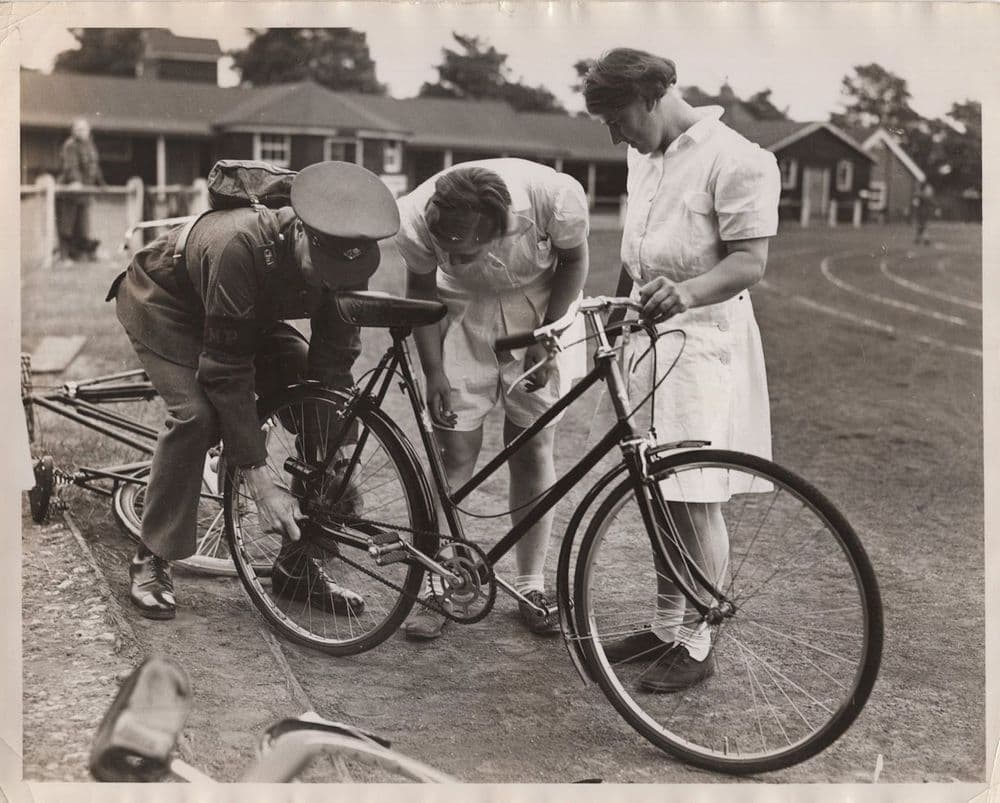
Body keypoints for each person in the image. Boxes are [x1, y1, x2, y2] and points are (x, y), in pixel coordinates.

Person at [107, 161, 400, 620]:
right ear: (301, 231)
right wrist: (261, 482)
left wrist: (334, 455)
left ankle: (297, 567)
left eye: (338, 277)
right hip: (170, 307)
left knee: (322, 413)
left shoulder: (347, 258)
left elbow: (332, 363)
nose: (327, 284)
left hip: (243, 317)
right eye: (318, 270)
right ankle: (152, 555)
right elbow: (227, 371)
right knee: (198, 416)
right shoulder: (240, 243)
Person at [583, 49, 780, 692]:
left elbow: (750, 262)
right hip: (647, 340)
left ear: (652, 97)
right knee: (654, 493)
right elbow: (638, 255)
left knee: (693, 498)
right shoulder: (643, 157)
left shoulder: (739, 158)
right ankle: (668, 627)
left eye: (617, 118)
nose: (614, 135)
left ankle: (697, 641)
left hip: (701, 345)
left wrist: (689, 294)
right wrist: (617, 317)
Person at [394, 159, 590, 639]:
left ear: (500, 227)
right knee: (455, 451)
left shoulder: (552, 198)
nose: (453, 260)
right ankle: (440, 582)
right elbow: (421, 288)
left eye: (465, 251)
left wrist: (548, 334)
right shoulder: (418, 216)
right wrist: (434, 369)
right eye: (447, 251)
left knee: (531, 449)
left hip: (541, 311)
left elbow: (574, 261)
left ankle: (531, 585)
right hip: (461, 317)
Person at [57, 118, 105, 263]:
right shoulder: (70, 146)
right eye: (78, 129)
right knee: (67, 225)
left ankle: (81, 254)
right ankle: (64, 256)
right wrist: (76, 182)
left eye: (83, 129)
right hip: (71, 192)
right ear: (73, 131)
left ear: (88, 131)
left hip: (85, 193)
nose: (81, 132)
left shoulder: (90, 145)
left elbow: (95, 167)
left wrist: (102, 183)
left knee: (83, 226)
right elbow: (71, 167)